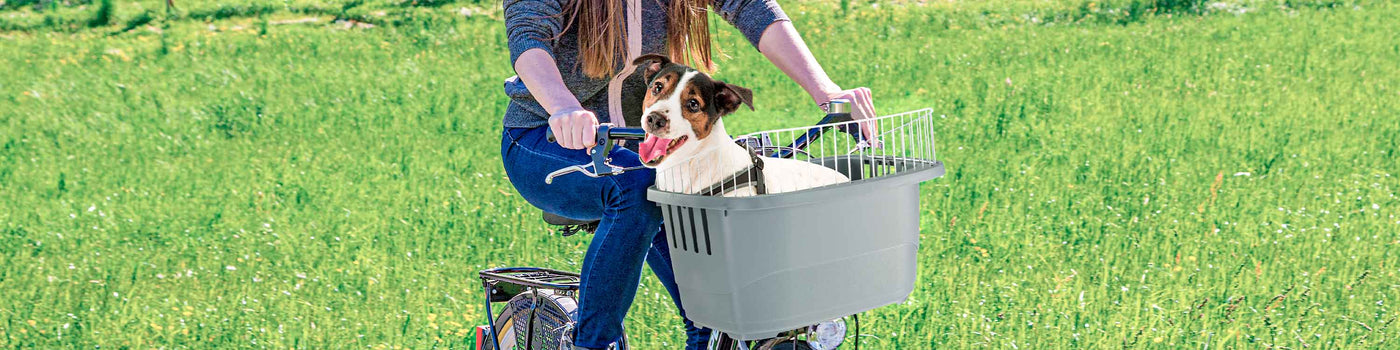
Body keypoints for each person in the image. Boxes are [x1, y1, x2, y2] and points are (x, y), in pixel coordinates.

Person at [498, 0, 877, 348]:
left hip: (647, 150)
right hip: (545, 138)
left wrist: (826, 91)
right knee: (636, 188)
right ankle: (591, 344)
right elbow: (528, 33)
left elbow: (748, 6)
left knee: (716, 315)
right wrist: (563, 107)